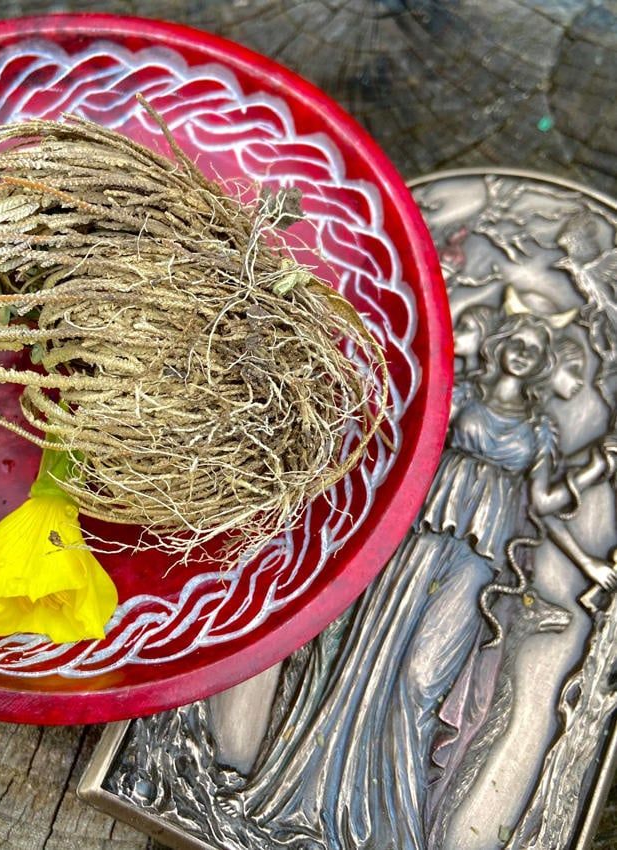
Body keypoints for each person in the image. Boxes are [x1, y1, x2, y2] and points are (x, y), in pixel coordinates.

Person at [240, 313, 611, 850]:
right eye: (518, 341)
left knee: (421, 679)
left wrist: (593, 507)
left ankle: (391, 824)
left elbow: (547, 505)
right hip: (419, 540)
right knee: (370, 656)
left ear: (540, 365)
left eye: (536, 348)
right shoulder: (458, 396)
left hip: (477, 560)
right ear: (500, 346)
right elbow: (400, 444)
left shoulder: (538, 431)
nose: (524, 352)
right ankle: (322, 797)